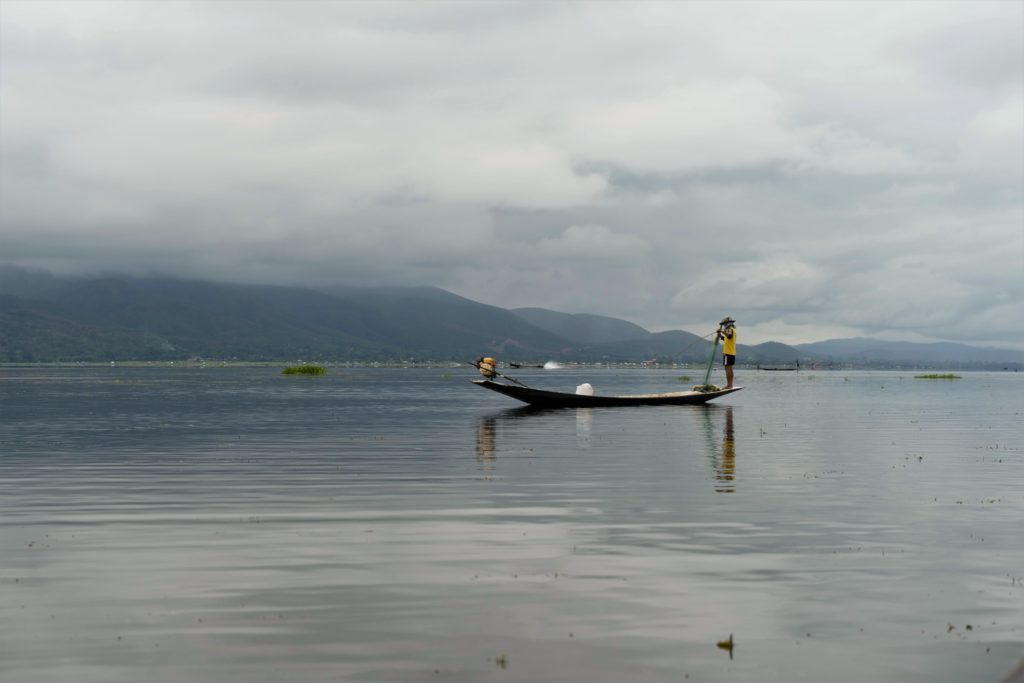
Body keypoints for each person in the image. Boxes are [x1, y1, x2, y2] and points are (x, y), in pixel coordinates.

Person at [717, 317, 737, 389]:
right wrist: (720, 336)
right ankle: (730, 384)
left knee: (727, 368)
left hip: (728, 352)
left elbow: (729, 336)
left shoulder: (729, 329)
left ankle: (729, 385)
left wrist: (722, 331)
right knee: (730, 368)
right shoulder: (732, 330)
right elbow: (726, 339)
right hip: (732, 352)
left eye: (724, 324)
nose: (724, 325)